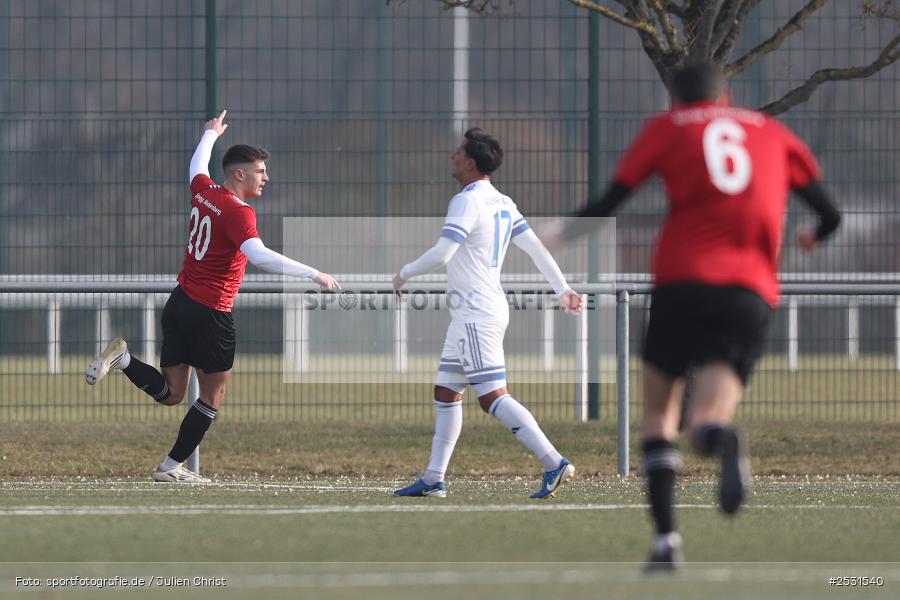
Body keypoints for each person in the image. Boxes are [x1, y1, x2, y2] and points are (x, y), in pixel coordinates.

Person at [556, 61, 841, 569]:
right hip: (748, 292)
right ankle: (721, 438)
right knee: (706, 418)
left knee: (659, 418)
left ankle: (666, 542)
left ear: (674, 100)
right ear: (726, 96)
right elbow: (830, 213)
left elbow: (611, 201)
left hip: (681, 283)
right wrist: (812, 238)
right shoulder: (770, 131)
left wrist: (556, 236)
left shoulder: (667, 128)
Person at [85, 110, 340, 483]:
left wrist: (209, 134)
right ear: (240, 174)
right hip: (211, 313)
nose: (266, 178)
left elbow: (197, 165)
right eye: (260, 171)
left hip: (180, 302)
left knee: (172, 394)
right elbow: (259, 255)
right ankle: (172, 466)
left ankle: (124, 360)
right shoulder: (240, 213)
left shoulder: (205, 193)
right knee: (212, 396)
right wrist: (315, 273)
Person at [392, 127, 584, 499]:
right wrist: (562, 287)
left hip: (476, 314)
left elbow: (443, 252)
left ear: (470, 162)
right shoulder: (502, 202)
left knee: (493, 397)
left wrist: (404, 272)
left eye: (458, 151)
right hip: (479, 311)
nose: (452, 155)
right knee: (447, 391)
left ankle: (553, 461)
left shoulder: (467, 201)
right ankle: (434, 478)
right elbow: (537, 249)